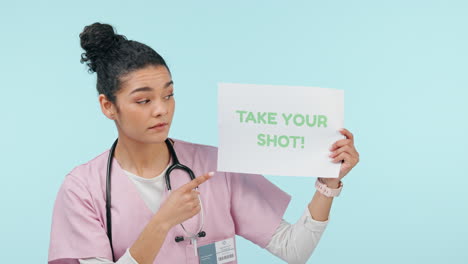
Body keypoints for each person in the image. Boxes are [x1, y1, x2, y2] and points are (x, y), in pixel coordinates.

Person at [48, 22, 360, 264]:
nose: (162, 109)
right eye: (143, 100)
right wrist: (162, 223)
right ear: (108, 106)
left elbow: (294, 249)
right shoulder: (83, 189)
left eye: (169, 95)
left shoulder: (214, 166)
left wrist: (327, 184)